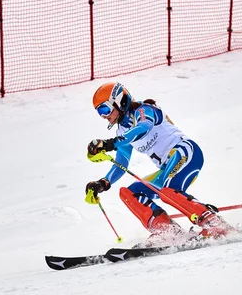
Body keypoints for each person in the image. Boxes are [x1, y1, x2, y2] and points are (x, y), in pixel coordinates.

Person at [85, 82, 232, 242]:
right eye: (100, 112)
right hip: (167, 168)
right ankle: (168, 232)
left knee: (168, 190)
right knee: (130, 193)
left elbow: (143, 127)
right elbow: (122, 162)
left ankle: (213, 222)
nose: (104, 116)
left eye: (105, 109)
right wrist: (103, 183)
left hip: (186, 153)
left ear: (119, 101)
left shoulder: (144, 110)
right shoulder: (122, 131)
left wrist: (109, 143)